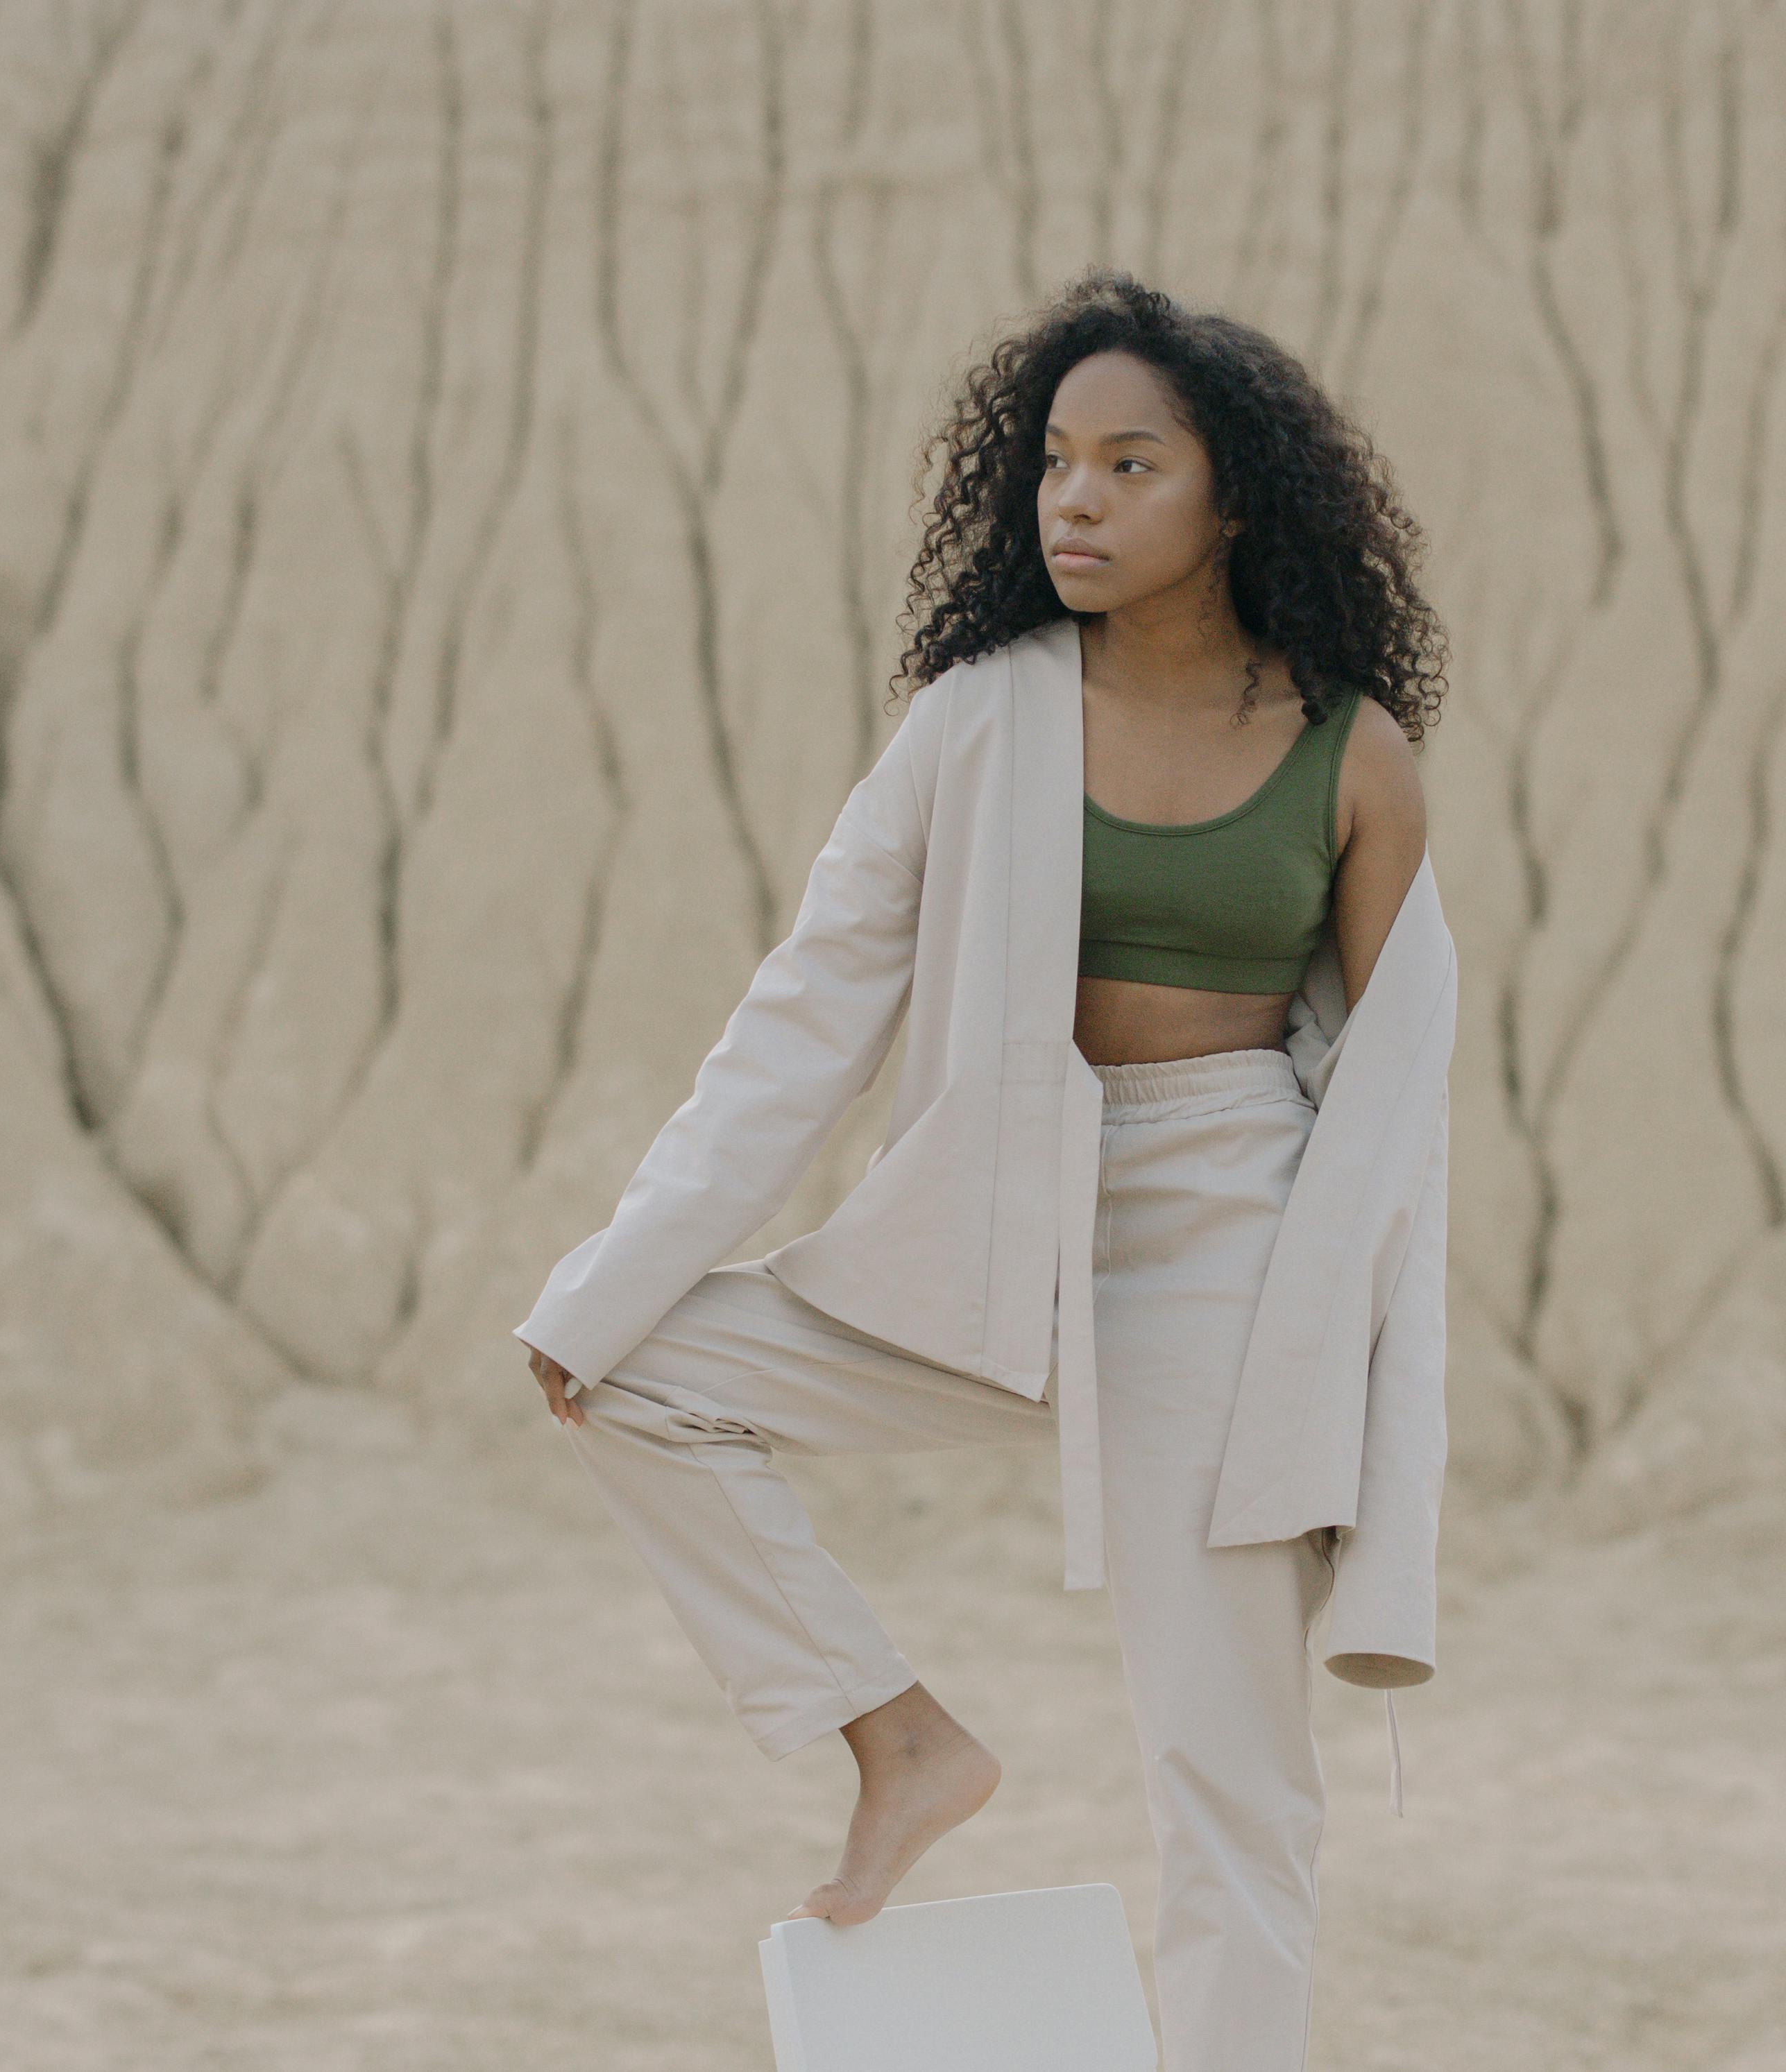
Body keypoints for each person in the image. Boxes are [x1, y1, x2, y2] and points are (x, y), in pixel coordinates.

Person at [513, 268, 1447, 2071]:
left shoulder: (1357, 758)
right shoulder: (975, 720)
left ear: (1232, 496)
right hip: (993, 1220)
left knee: (1233, 1790)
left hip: (1230, 1251)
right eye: (1054, 463)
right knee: (638, 1369)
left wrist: (1366, 1397)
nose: (1077, 499)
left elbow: (1392, 1111)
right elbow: (808, 1017)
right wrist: (613, 1273)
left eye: (1130, 464)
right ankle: (896, 1734)